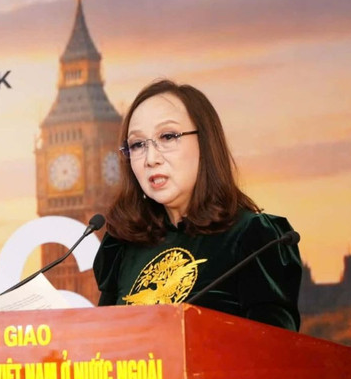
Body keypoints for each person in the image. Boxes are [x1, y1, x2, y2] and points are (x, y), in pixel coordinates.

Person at [92, 79, 301, 331]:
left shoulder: (255, 238)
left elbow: (273, 354)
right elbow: (102, 347)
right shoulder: (124, 248)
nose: (150, 158)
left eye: (167, 136)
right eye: (137, 144)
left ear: (205, 142)